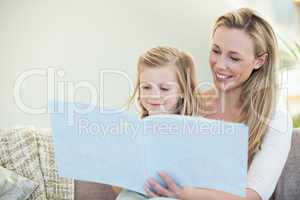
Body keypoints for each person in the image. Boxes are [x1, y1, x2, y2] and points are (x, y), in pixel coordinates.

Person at [141, 8, 293, 200]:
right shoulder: (188, 104)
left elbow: (252, 197)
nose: (220, 65)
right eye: (216, 51)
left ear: (259, 61)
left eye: (234, 58)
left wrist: (187, 194)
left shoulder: (275, 121)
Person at [115, 46, 200, 199]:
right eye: (146, 87)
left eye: (164, 89)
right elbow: (118, 185)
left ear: (182, 91)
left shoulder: (193, 129)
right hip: (139, 191)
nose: (154, 95)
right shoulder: (134, 129)